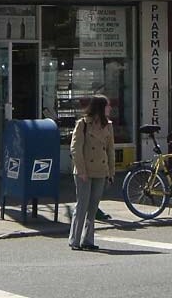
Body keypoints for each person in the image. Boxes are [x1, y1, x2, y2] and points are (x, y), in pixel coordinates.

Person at [68, 94, 113, 251]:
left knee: (93, 207)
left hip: (100, 170)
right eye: (107, 105)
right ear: (100, 107)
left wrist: (111, 172)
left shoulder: (108, 126)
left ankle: (88, 240)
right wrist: (81, 170)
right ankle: (74, 239)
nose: (110, 108)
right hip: (84, 171)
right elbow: (75, 148)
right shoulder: (82, 124)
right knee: (82, 205)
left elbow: (110, 150)